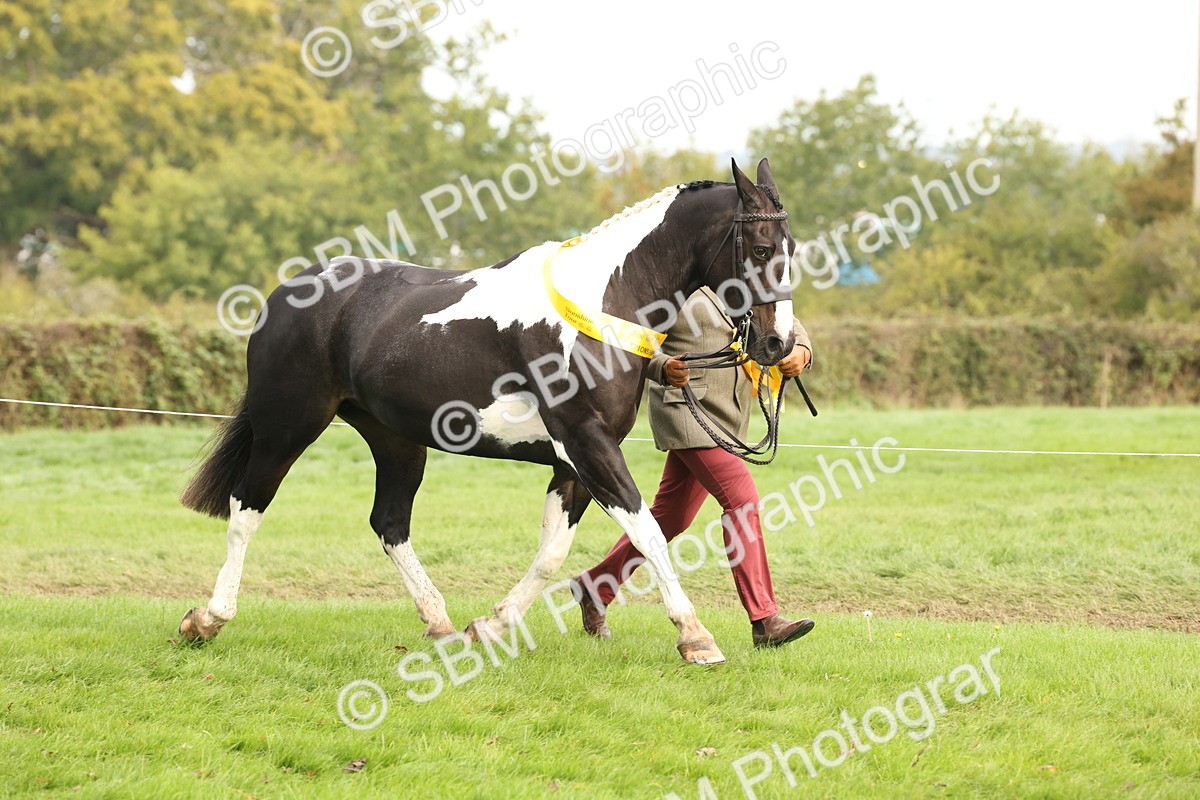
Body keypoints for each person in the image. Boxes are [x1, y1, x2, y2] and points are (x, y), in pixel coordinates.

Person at [570, 287, 816, 648]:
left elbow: (776, 313)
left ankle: (595, 585)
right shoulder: (674, 273)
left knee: (673, 515)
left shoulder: (735, 270)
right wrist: (659, 366)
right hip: (686, 410)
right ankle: (765, 620)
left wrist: (801, 349)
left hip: (728, 416)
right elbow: (633, 337)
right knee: (741, 499)